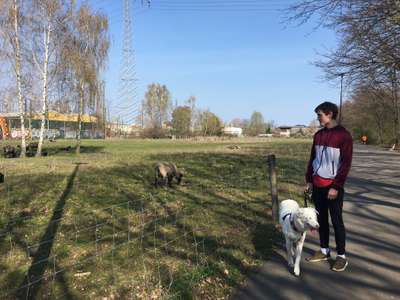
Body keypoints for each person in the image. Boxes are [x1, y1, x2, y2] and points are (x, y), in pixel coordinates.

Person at [305, 101, 353, 272]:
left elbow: (346, 164)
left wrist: (336, 186)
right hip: (317, 184)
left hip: (333, 187)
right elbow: (313, 159)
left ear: (330, 114)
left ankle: (341, 256)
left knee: (337, 221)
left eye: (320, 115)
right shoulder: (318, 135)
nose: (318, 118)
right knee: (321, 220)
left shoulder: (343, 136)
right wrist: (309, 180)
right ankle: (324, 250)